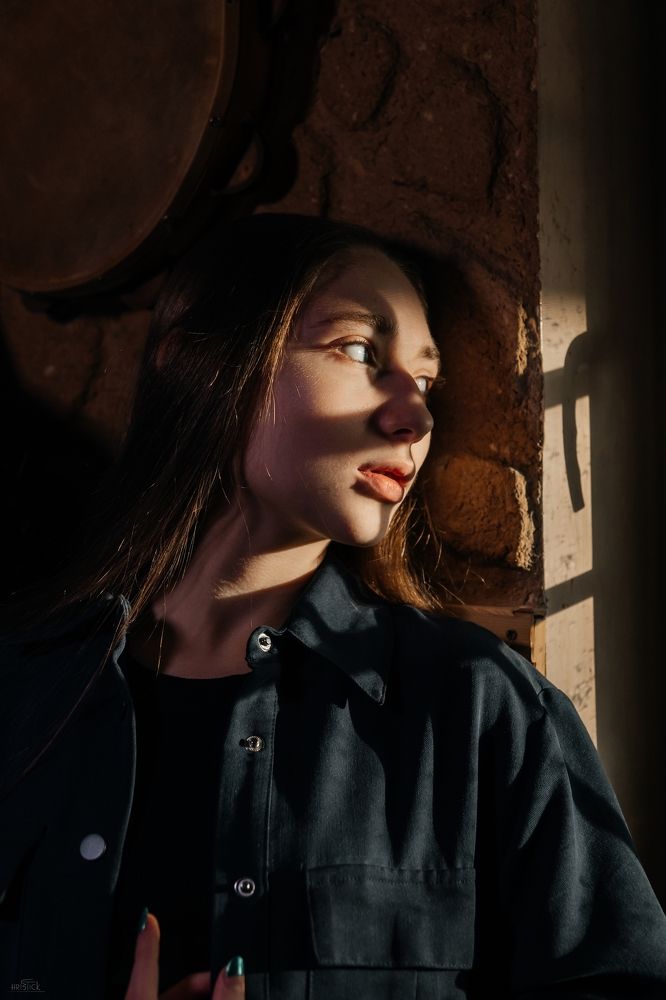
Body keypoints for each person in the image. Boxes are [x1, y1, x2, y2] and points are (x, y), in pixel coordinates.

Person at [1, 213, 665, 1000]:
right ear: (200, 365)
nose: (415, 417)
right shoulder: (23, 691)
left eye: (426, 382)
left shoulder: (483, 710)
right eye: (359, 351)